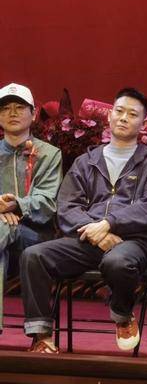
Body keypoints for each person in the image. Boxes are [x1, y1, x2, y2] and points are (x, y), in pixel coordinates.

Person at [20, 88, 147, 353]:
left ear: (144, 124)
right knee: (34, 256)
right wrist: (94, 231)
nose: (123, 118)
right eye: (119, 111)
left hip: (131, 242)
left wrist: (109, 223)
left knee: (117, 262)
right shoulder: (86, 161)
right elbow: (67, 206)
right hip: (86, 238)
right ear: (109, 116)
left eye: (132, 114)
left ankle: (121, 314)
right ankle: (41, 335)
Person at [0, 83, 62, 333]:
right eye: (5, 108)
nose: (12, 113)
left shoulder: (49, 154)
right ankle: (39, 331)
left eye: (19, 107)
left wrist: (16, 205)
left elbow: (47, 203)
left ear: (34, 114)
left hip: (34, 235)